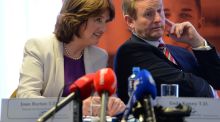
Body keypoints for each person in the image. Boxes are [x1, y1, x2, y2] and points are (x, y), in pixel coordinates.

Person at [16, 0, 125, 116]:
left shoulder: (99, 56)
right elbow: (25, 98)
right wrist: (75, 108)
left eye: (105, 21)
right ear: (77, 18)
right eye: (98, 20)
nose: (104, 29)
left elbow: (99, 100)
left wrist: (112, 103)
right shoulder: (39, 47)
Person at [114, 0, 220, 104]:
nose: (158, 19)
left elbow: (217, 79)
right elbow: (179, 83)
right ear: (130, 21)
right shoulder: (130, 51)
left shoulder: (182, 52)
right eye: (148, 14)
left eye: (160, 11)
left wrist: (197, 41)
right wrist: (211, 91)